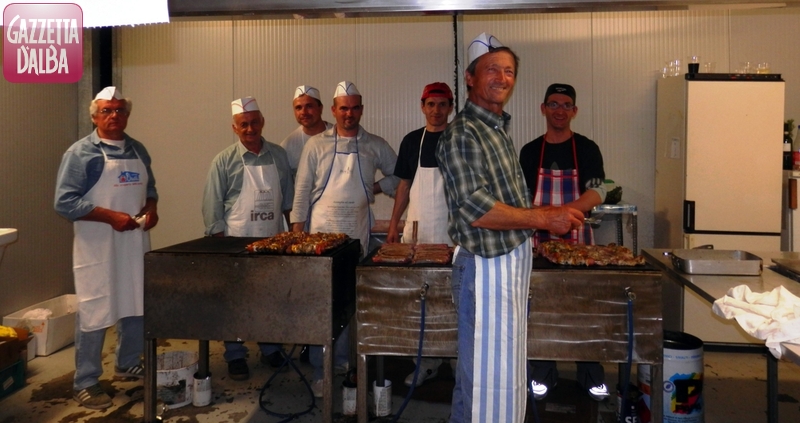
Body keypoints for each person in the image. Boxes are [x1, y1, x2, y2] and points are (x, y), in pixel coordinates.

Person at [436, 33, 584, 423]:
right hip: (483, 270)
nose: (502, 78)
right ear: (470, 78)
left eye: (509, 71)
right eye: (492, 70)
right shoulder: (464, 132)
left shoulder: (497, 129)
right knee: (482, 378)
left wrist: (548, 212)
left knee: (492, 373)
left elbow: (509, 203)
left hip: (506, 269)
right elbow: (476, 208)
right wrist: (544, 218)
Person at [290, 80, 399, 397]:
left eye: (354, 108)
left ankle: (345, 364)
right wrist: (297, 234)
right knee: (322, 306)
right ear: (334, 110)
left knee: (349, 305)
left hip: (356, 237)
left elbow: (398, 175)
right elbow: (301, 191)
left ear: (361, 110)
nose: (349, 114)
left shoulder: (374, 144)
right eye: (343, 108)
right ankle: (321, 371)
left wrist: (373, 188)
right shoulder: (316, 145)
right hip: (321, 238)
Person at [54, 86, 159, 410]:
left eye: (119, 110)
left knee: (136, 302)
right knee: (95, 309)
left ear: (127, 114)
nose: (114, 116)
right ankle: (85, 381)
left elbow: (151, 189)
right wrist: (111, 216)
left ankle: (128, 362)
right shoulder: (80, 153)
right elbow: (64, 202)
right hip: (97, 247)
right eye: (107, 111)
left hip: (133, 242)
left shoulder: (138, 149)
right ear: (95, 117)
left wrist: (152, 208)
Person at [519, 83, 609, 402]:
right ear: (543, 108)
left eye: (566, 105)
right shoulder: (530, 151)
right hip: (538, 242)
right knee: (541, 307)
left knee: (583, 306)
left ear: (574, 111)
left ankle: (590, 372)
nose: (560, 110)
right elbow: (521, 198)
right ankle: (543, 371)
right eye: (554, 104)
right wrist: (546, 219)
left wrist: (564, 214)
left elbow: (598, 191)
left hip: (578, 240)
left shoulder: (587, 148)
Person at [202, 97, 295, 381]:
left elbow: (288, 200)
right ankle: (235, 354)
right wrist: (220, 242)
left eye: (254, 122)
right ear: (235, 128)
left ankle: (271, 348)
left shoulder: (278, 155)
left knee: (270, 297)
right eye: (244, 125)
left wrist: (292, 234)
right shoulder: (223, 161)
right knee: (236, 300)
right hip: (236, 241)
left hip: (271, 240)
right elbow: (212, 205)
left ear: (262, 122)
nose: (250, 129)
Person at [387, 82, 455, 388]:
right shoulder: (412, 141)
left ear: (450, 107)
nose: (436, 110)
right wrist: (393, 224)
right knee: (421, 302)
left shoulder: (459, 140)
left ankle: (457, 361)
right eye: (431, 104)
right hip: (417, 233)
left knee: (452, 301)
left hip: (451, 235)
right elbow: (403, 186)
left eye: (442, 104)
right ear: (422, 106)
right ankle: (425, 363)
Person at [280, 85, 334, 180]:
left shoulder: (338, 136)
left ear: (320, 108)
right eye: (298, 108)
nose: (303, 112)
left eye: (309, 106)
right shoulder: (287, 146)